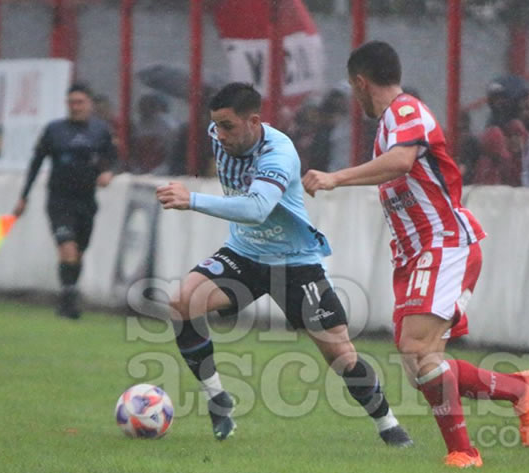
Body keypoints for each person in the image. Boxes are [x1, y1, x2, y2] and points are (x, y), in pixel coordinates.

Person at [302, 41, 529, 468]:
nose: (355, 97)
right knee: (421, 366)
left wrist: (335, 178)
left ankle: (464, 453)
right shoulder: (388, 126)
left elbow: (400, 162)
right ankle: (518, 389)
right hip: (417, 255)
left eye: (354, 88)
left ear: (361, 82)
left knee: (417, 350)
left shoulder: (406, 111)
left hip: (444, 244)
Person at [154, 82, 412, 446]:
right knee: (183, 303)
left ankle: (389, 425)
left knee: (339, 353)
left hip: (294, 263)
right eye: (216, 125)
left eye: (228, 126)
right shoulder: (218, 135)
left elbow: (257, 208)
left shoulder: (279, 152)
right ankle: (217, 400)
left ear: (254, 121)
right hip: (243, 253)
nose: (219, 134)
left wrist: (192, 198)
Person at [12, 83, 117, 319]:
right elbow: (36, 163)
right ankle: (69, 302)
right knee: (67, 248)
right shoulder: (54, 130)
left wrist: (109, 172)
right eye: (71, 102)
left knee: (78, 252)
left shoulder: (100, 131)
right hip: (59, 200)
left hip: (87, 200)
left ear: (90, 104)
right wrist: (24, 197)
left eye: (80, 102)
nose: (75, 107)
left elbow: (114, 158)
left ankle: (67, 297)